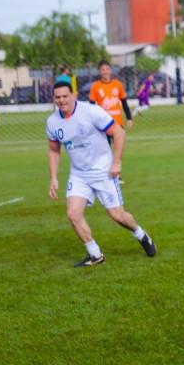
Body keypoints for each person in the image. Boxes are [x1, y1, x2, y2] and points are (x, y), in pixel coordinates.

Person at [46, 75, 156, 267]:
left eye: (65, 96)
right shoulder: (52, 122)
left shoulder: (90, 111)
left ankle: (141, 234)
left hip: (104, 171)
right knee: (73, 213)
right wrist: (53, 177)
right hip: (79, 174)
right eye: (57, 97)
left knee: (117, 216)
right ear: (54, 99)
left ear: (73, 95)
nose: (61, 100)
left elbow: (119, 132)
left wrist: (117, 163)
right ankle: (95, 255)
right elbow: (54, 151)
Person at [87, 60, 132, 132]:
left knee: (119, 143)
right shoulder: (95, 86)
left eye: (107, 69)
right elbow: (91, 107)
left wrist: (129, 118)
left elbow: (124, 103)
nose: (105, 72)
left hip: (117, 122)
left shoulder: (118, 84)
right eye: (103, 70)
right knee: (104, 143)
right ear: (99, 71)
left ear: (111, 70)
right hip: (103, 123)